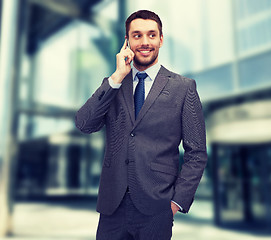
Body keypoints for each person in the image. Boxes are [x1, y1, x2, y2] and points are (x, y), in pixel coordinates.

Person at [75, 9, 207, 240]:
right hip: (112, 208)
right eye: (137, 36)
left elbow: (196, 152)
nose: (145, 42)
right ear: (127, 41)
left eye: (151, 35)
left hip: (157, 209)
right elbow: (84, 124)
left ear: (161, 39)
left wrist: (176, 203)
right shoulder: (114, 85)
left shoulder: (184, 88)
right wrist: (116, 77)